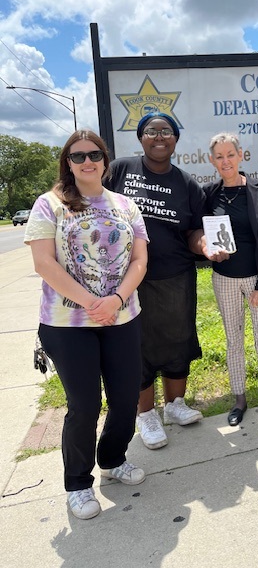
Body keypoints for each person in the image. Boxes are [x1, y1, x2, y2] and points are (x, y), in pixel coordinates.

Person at [24, 130, 148, 520]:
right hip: (67, 324)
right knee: (84, 405)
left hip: (122, 317)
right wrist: (93, 303)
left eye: (94, 154)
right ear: (69, 163)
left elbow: (140, 260)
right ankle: (78, 483)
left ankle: (113, 460)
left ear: (105, 160)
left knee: (126, 397)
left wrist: (114, 300)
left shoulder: (125, 205)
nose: (87, 161)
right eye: (78, 157)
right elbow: (44, 263)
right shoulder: (49, 205)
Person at [105, 112, 205, 450]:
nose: (159, 136)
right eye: (151, 131)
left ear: (176, 139)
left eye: (166, 131)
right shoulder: (120, 169)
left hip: (175, 275)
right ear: (141, 138)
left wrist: (203, 243)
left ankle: (175, 405)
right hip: (126, 279)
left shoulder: (187, 184)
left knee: (178, 340)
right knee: (137, 347)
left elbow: (194, 231)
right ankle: (146, 414)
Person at [202, 132, 258, 426]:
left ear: (240, 156)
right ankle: (239, 399)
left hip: (255, 278)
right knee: (233, 341)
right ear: (212, 161)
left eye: (230, 155)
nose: (226, 161)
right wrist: (210, 251)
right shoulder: (209, 193)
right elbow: (202, 234)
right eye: (219, 156)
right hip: (224, 279)